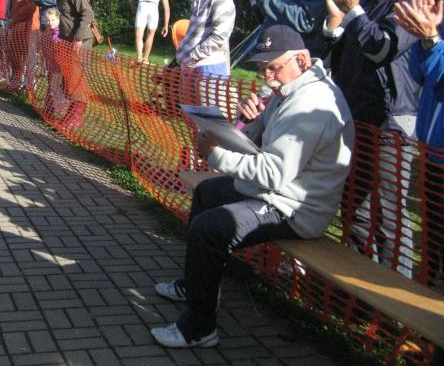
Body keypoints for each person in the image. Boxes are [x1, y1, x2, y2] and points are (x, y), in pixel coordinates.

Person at [151, 25, 354, 349]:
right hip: (280, 194)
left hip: (297, 210)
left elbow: (273, 173)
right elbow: (258, 147)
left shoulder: (310, 105)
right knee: (206, 193)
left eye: (273, 67)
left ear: (301, 60)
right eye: (262, 68)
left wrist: (215, 155)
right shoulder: (291, 90)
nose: (267, 76)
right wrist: (251, 120)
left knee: (208, 229)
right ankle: (195, 287)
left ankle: (199, 329)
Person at [324, 0, 418, 277]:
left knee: (388, 215)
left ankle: (399, 294)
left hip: (391, 123)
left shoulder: (408, 4)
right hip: (357, 118)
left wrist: (353, 12)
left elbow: (381, 49)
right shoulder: (366, 0)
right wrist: (336, 25)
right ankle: (357, 289)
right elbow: (345, 58)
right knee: (355, 208)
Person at [394, 0, 444, 297]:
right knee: (434, 241)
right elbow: (421, 74)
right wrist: (424, 38)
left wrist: (432, 40)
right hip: (434, 148)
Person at [53, 0, 95, 127]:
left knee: (77, 78)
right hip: (68, 38)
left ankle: (76, 116)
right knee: (69, 77)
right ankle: (71, 112)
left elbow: (88, 13)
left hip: (80, 40)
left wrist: (78, 38)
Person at [7, 0, 42, 87]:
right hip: (18, 25)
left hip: (29, 26)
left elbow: (30, 7)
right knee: (17, 55)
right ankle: (18, 84)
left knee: (28, 58)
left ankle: (29, 87)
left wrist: (13, 20)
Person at [129, 0, 170, 64]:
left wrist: (133, 9)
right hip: (154, 9)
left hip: (142, 6)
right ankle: (145, 59)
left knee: (139, 35)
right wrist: (166, 26)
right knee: (150, 35)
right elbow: (167, 10)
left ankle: (139, 57)